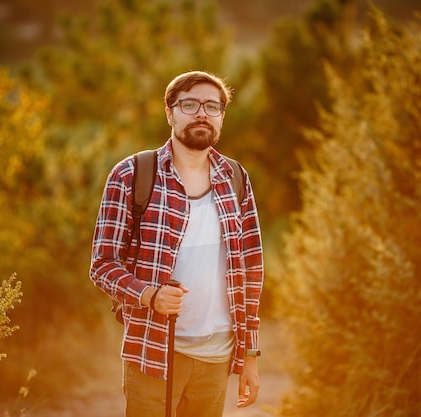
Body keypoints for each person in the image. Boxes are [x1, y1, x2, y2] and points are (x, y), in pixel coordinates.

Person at [90, 70, 264, 417]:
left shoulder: (236, 179)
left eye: (212, 107)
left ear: (221, 117)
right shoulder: (132, 175)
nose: (202, 113)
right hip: (154, 351)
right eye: (190, 104)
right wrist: (149, 295)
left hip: (217, 356)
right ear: (170, 113)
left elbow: (251, 273)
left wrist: (250, 355)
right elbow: (102, 264)